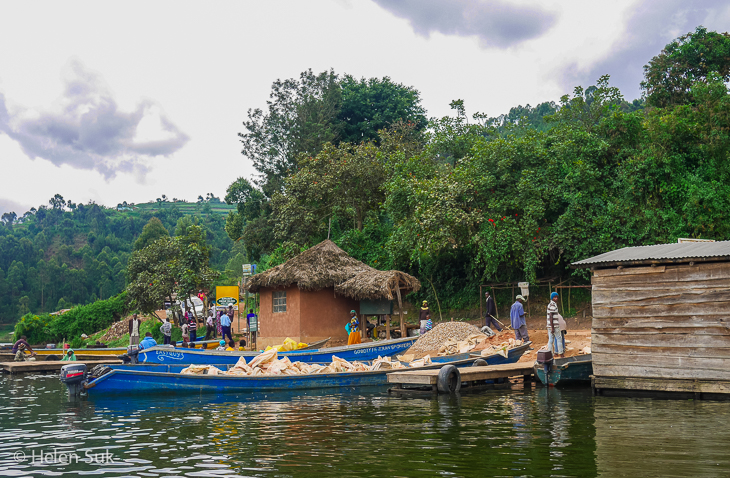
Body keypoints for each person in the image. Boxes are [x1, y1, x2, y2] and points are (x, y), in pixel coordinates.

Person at [547, 292, 564, 358]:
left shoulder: (550, 304)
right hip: (554, 325)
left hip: (550, 325)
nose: (556, 298)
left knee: (551, 340)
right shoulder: (553, 304)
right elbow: (551, 315)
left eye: (557, 297)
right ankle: (561, 353)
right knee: (559, 339)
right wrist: (552, 327)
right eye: (555, 297)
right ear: (552, 298)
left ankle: (550, 354)